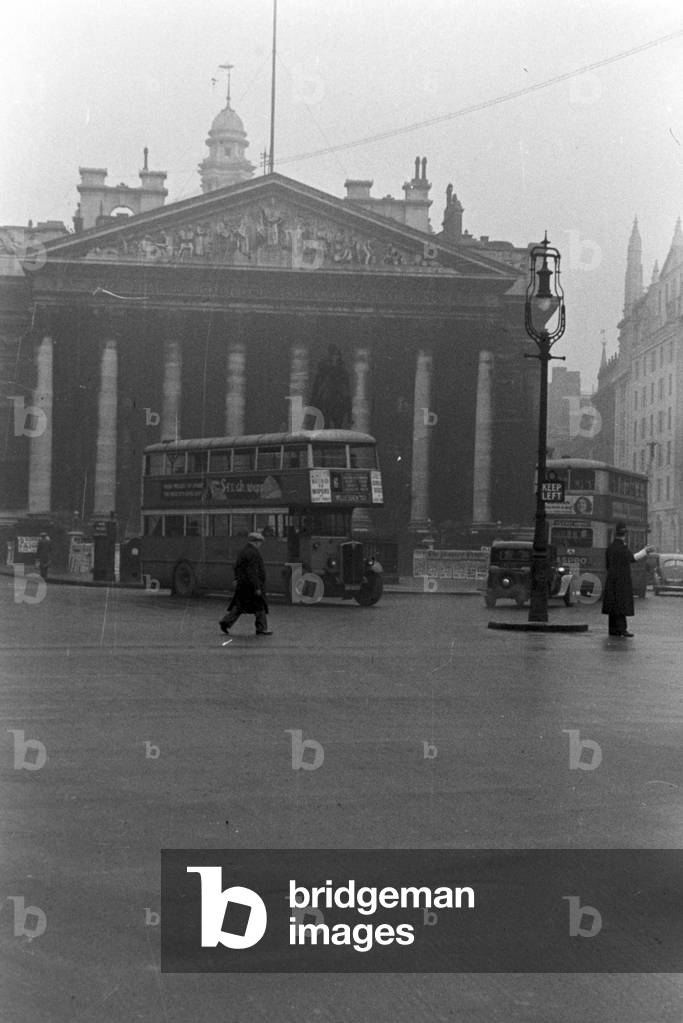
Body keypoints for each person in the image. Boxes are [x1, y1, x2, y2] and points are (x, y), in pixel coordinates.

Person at [601, 522, 655, 637]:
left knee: (612, 606)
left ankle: (612, 630)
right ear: (624, 535)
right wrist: (645, 551)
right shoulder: (623, 548)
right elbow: (632, 558)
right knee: (621, 606)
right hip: (622, 580)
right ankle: (622, 629)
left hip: (611, 580)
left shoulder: (610, 548)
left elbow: (607, 564)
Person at [219, 532, 272, 636]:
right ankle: (261, 629)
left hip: (242, 585)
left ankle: (225, 622)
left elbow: (237, 567)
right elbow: (253, 572)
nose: (260, 545)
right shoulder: (254, 553)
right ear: (255, 542)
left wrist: (236, 579)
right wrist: (257, 587)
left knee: (240, 606)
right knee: (259, 606)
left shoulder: (243, 552)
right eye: (260, 542)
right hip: (251, 586)